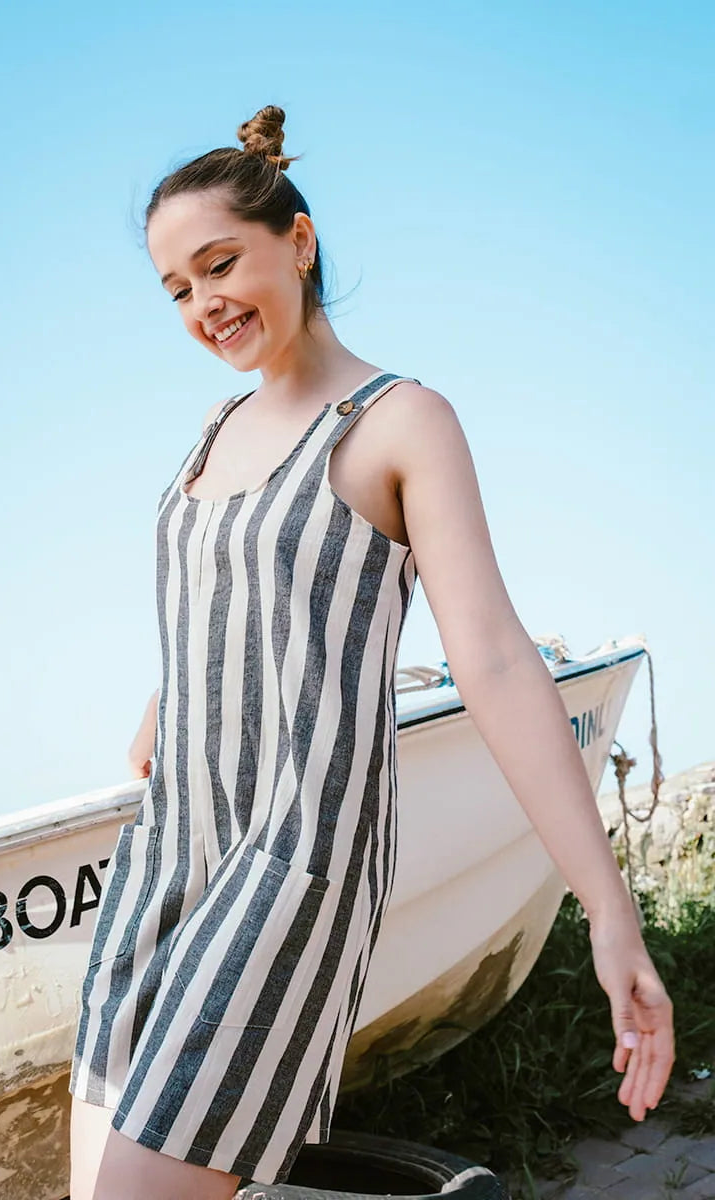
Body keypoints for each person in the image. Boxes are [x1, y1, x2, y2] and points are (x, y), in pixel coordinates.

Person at [67, 104, 675, 1200]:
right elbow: (237, 587)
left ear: (296, 242)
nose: (205, 304)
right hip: (169, 856)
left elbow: (488, 661)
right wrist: (170, 700)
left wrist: (609, 915)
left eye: (221, 265)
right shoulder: (213, 430)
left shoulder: (398, 421)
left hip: (287, 867)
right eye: (177, 290)